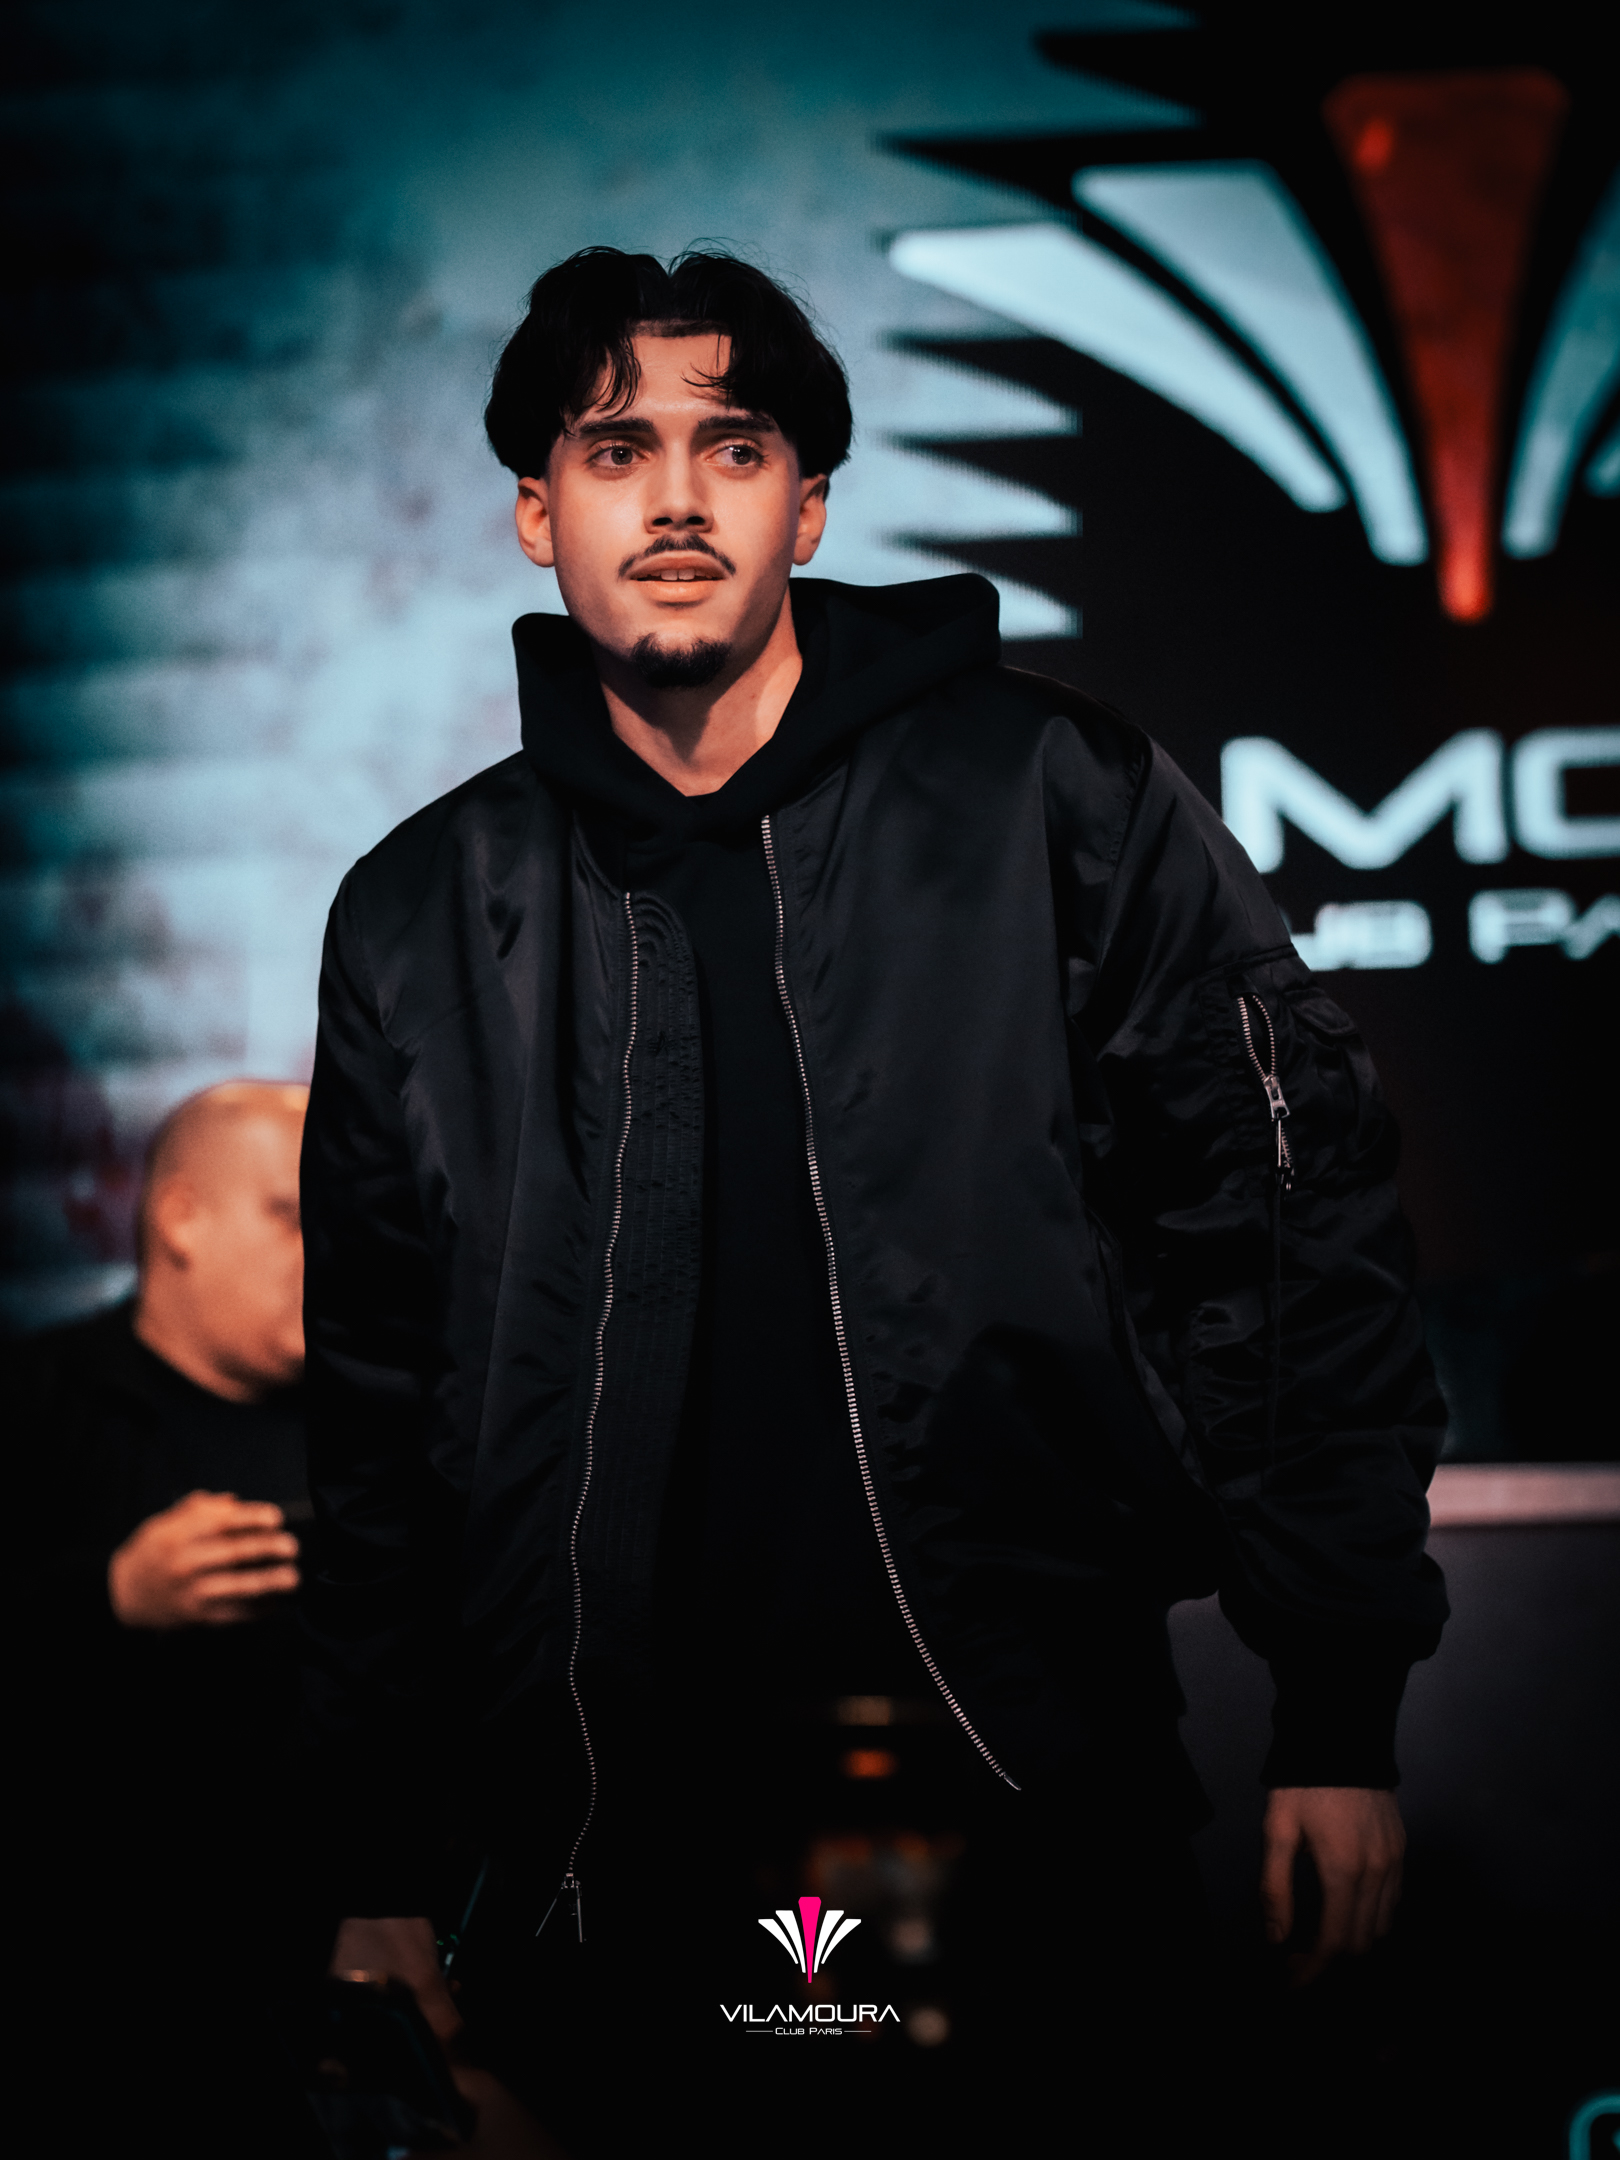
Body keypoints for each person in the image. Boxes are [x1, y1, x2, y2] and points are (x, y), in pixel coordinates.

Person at [301, 249, 1447, 2154]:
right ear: (536, 513)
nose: (677, 500)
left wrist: (1336, 1714)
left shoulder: (1050, 794)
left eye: (735, 447)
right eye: (615, 449)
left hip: (1018, 1785)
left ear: (810, 508)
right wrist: (373, 1861)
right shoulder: (421, 914)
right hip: (614, 1847)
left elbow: (1283, 1231)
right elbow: (373, 1430)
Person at [12, 1080, 318, 2157]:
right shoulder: (34, 1405)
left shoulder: (382, 1434)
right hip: (81, 2017)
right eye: (293, 1217)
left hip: (312, 2010)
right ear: (182, 1218)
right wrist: (110, 1596)